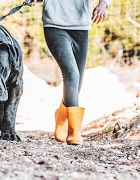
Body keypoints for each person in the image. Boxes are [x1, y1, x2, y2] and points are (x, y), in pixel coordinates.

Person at [29, 0, 112, 145]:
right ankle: (75, 131)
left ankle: (62, 114)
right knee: (72, 75)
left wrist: (103, 3)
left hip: (81, 26)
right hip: (54, 24)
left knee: (77, 80)